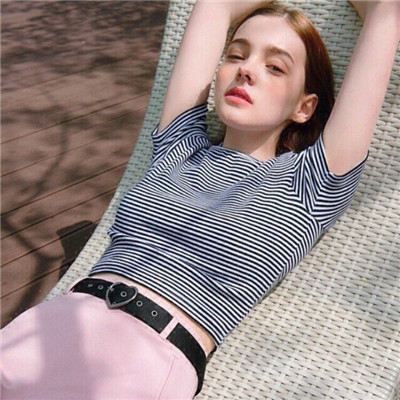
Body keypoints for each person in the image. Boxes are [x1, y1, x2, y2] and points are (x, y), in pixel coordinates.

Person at [1, 1, 399, 399]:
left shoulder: (309, 184)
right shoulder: (179, 148)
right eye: (236, 55)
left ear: (304, 106)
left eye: (275, 67)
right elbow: (214, 7)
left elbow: (387, 12)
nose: (246, 70)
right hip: (50, 326)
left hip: (142, 362)